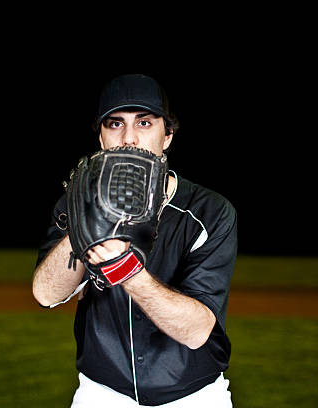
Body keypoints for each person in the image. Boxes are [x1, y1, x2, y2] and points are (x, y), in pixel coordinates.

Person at [32, 74, 237, 407]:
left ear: (167, 135)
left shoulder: (210, 211)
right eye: (115, 124)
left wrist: (126, 271)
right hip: (102, 393)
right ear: (100, 136)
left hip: (193, 397)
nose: (128, 138)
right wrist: (83, 223)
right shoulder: (75, 200)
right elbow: (46, 294)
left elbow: (197, 331)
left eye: (144, 122)